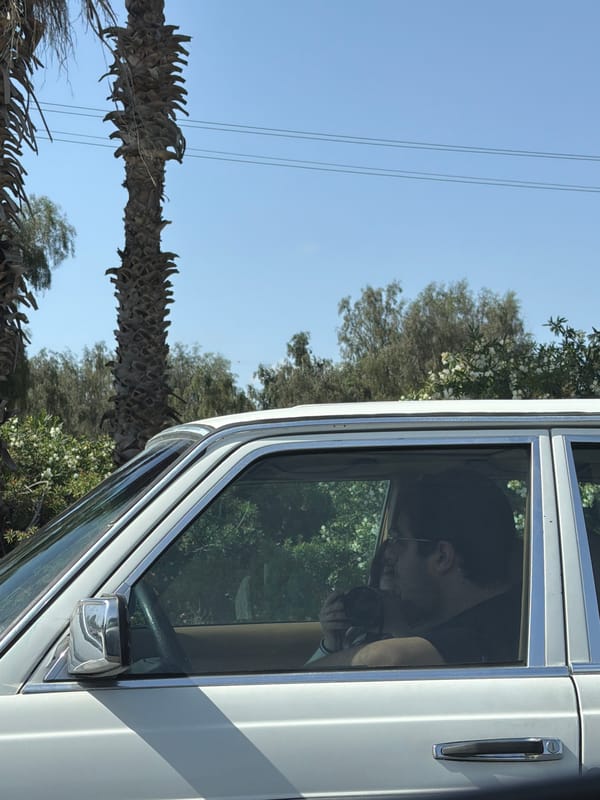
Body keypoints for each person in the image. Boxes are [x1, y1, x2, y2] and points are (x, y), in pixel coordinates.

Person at [310, 468, 522, 668]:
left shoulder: (478, 634)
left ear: (442, 557)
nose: (390, 555)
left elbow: (385, 659)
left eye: (399, 540)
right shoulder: (517, 615)